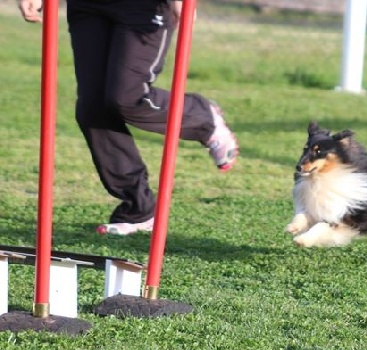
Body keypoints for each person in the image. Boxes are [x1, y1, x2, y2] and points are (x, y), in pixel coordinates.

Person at [18, 0, 239, 235]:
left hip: (144, 6)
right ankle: (139, 209)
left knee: (127, 98)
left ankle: (202, 117)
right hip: (87, 6)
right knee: (92, 109)